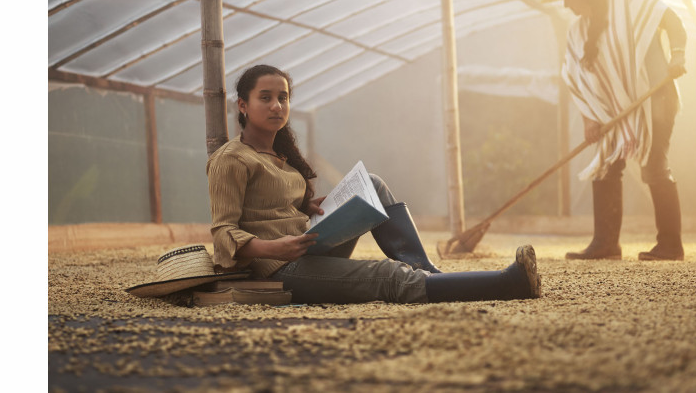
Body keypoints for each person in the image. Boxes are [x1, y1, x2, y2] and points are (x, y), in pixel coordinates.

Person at [206, 64, 540, 303]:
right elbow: (223, 233)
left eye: (283, 97)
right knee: (390, 276)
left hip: (304, 246)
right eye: (265, 97)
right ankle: (507, 284)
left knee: (374, 185)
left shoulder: (278, 154)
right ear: (243, 106)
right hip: (277, 268)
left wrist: (301, 206)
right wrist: (274, 248)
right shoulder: (231, 158)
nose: (277, 105)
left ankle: (426, 269)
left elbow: (268, 206)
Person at [542, 0, 687, 261]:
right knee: (606, 166)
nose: (565, 4)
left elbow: (673, 22)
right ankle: (606, 245)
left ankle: (671, 246)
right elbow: (577, 80)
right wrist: (589, 118)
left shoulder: (633, 1)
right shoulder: (578, 32)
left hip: (655, 97)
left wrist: (677, 55)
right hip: (618, 111)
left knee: (654, 164)